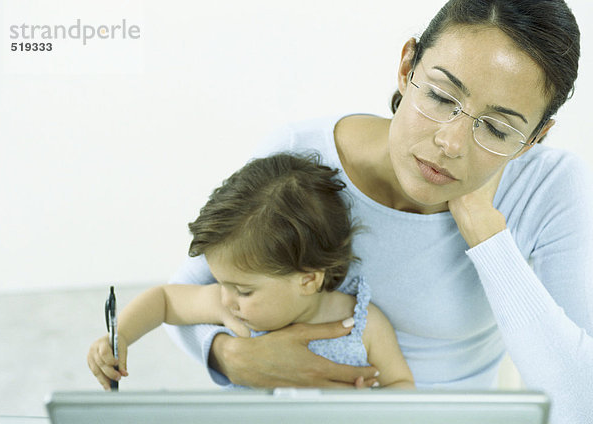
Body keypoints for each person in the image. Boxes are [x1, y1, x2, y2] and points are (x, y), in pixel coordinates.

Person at [164, 1, 593, 423]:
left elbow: (580, 401)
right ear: (408, 67)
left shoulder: (550, 187)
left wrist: (487, 233)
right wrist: (231, 357)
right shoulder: (300, 157)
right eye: (443, 98)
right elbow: (181, 294)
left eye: (498, 129)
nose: (452, 143)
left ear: (536, 136)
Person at [87, 153, 415, 391]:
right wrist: (121, 337)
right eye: (221, 283)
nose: (227, 299)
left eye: (244, 291)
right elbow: (163, 300)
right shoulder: (228, 307)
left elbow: (401, 384)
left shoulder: (363, 324)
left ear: (308, 279)